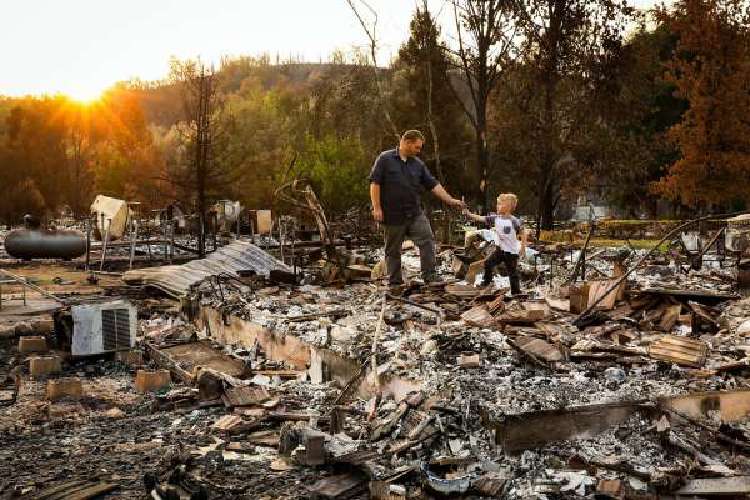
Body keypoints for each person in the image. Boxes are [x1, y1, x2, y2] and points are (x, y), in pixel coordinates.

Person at [369, 130, 465, 285]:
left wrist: (451, 200)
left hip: (414, 213)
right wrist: (377, 208)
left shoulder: (417, 164)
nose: (419, 151)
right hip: (392, 215)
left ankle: (430, 276)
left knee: (427, 239)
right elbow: (375, 183)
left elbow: (433, 185)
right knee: (393, 250)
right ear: (407, 142)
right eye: (417, 147)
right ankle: (395, 282)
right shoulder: (385, 159)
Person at [463, 193, 526, 294]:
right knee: (488, 263)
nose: (497, 206)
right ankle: (486, 282)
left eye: (500, 204)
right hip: (499, 250)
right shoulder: (496, 218)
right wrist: (468, 214)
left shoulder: (513, 220)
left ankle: (516, 292)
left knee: (512, 272)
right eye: (497, 204)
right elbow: (480, 218)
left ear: (508, 207)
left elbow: (523, 232)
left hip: (511, 252)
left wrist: (523, 248)